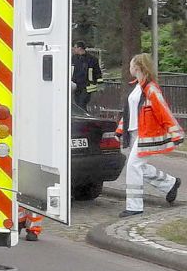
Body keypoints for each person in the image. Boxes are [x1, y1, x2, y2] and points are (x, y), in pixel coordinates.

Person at [115, 54, 183, 217]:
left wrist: (176, 133)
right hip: (135, 132)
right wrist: (120, 129)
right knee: (139, 166)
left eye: (131, 65)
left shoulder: (150, 88)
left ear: (137, 67)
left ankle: (135, 206)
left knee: (133, 166)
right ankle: (170, 183)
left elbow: (163, 110)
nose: (129, 68)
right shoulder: (138, 87)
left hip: (145, 134)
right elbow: (130, 112)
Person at [71, 41, 101, 109]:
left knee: (82, 104)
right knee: (77, 104)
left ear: (80, 48)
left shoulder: (92, 59)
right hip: (77, 86)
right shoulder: (74, 58)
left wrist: (100, 85)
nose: (74, 49)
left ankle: (83, 118)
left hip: (87, 86)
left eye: (75, 47)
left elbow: (98, 73)